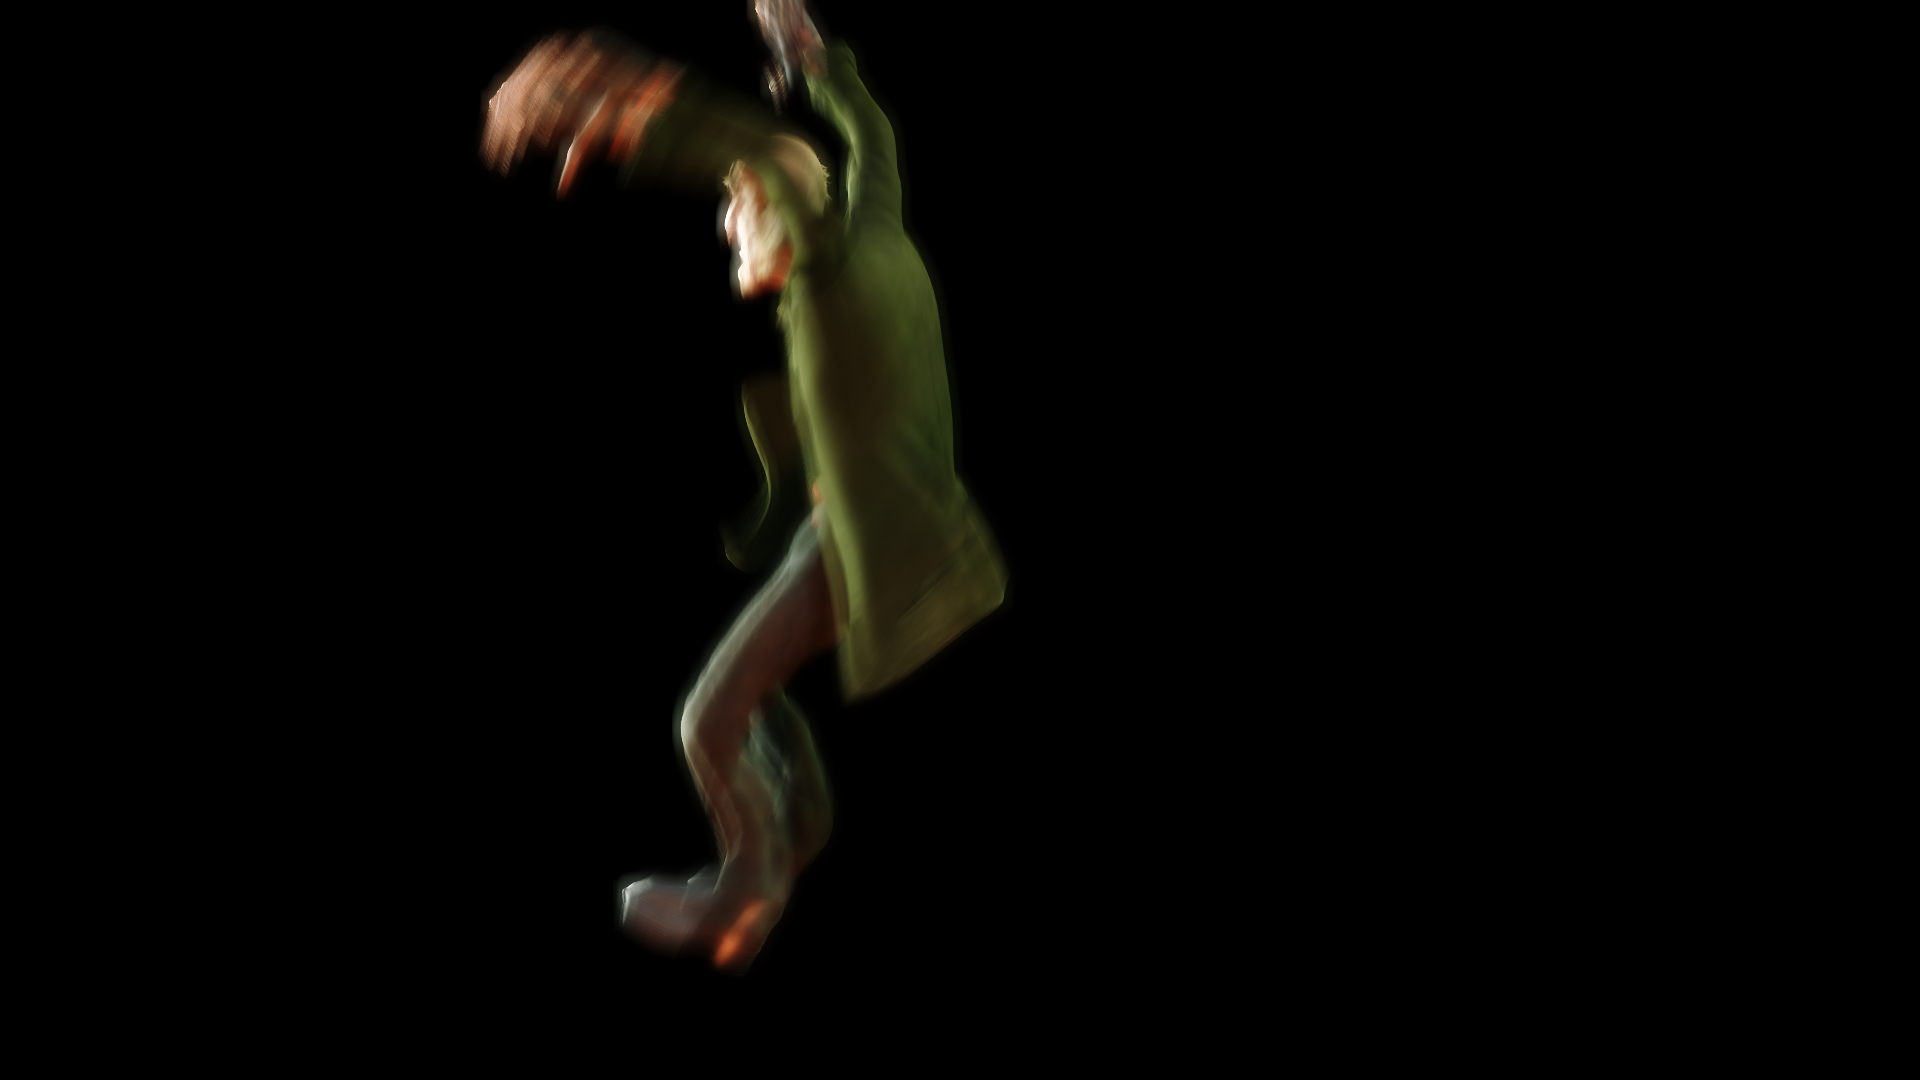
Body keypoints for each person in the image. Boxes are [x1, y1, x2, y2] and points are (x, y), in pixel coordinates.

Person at [481, 2, 1008, 973]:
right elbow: (873, 138)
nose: (728, 225)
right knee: (753, 701)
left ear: (784, 213)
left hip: (864, 549)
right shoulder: (876, 225)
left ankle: (749, 892)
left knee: (707, 722)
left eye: (741, 209)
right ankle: (798, 818)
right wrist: (812, 57)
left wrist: (623, 101)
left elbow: (761, 152)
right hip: (872, 521)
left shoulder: (826, 276)